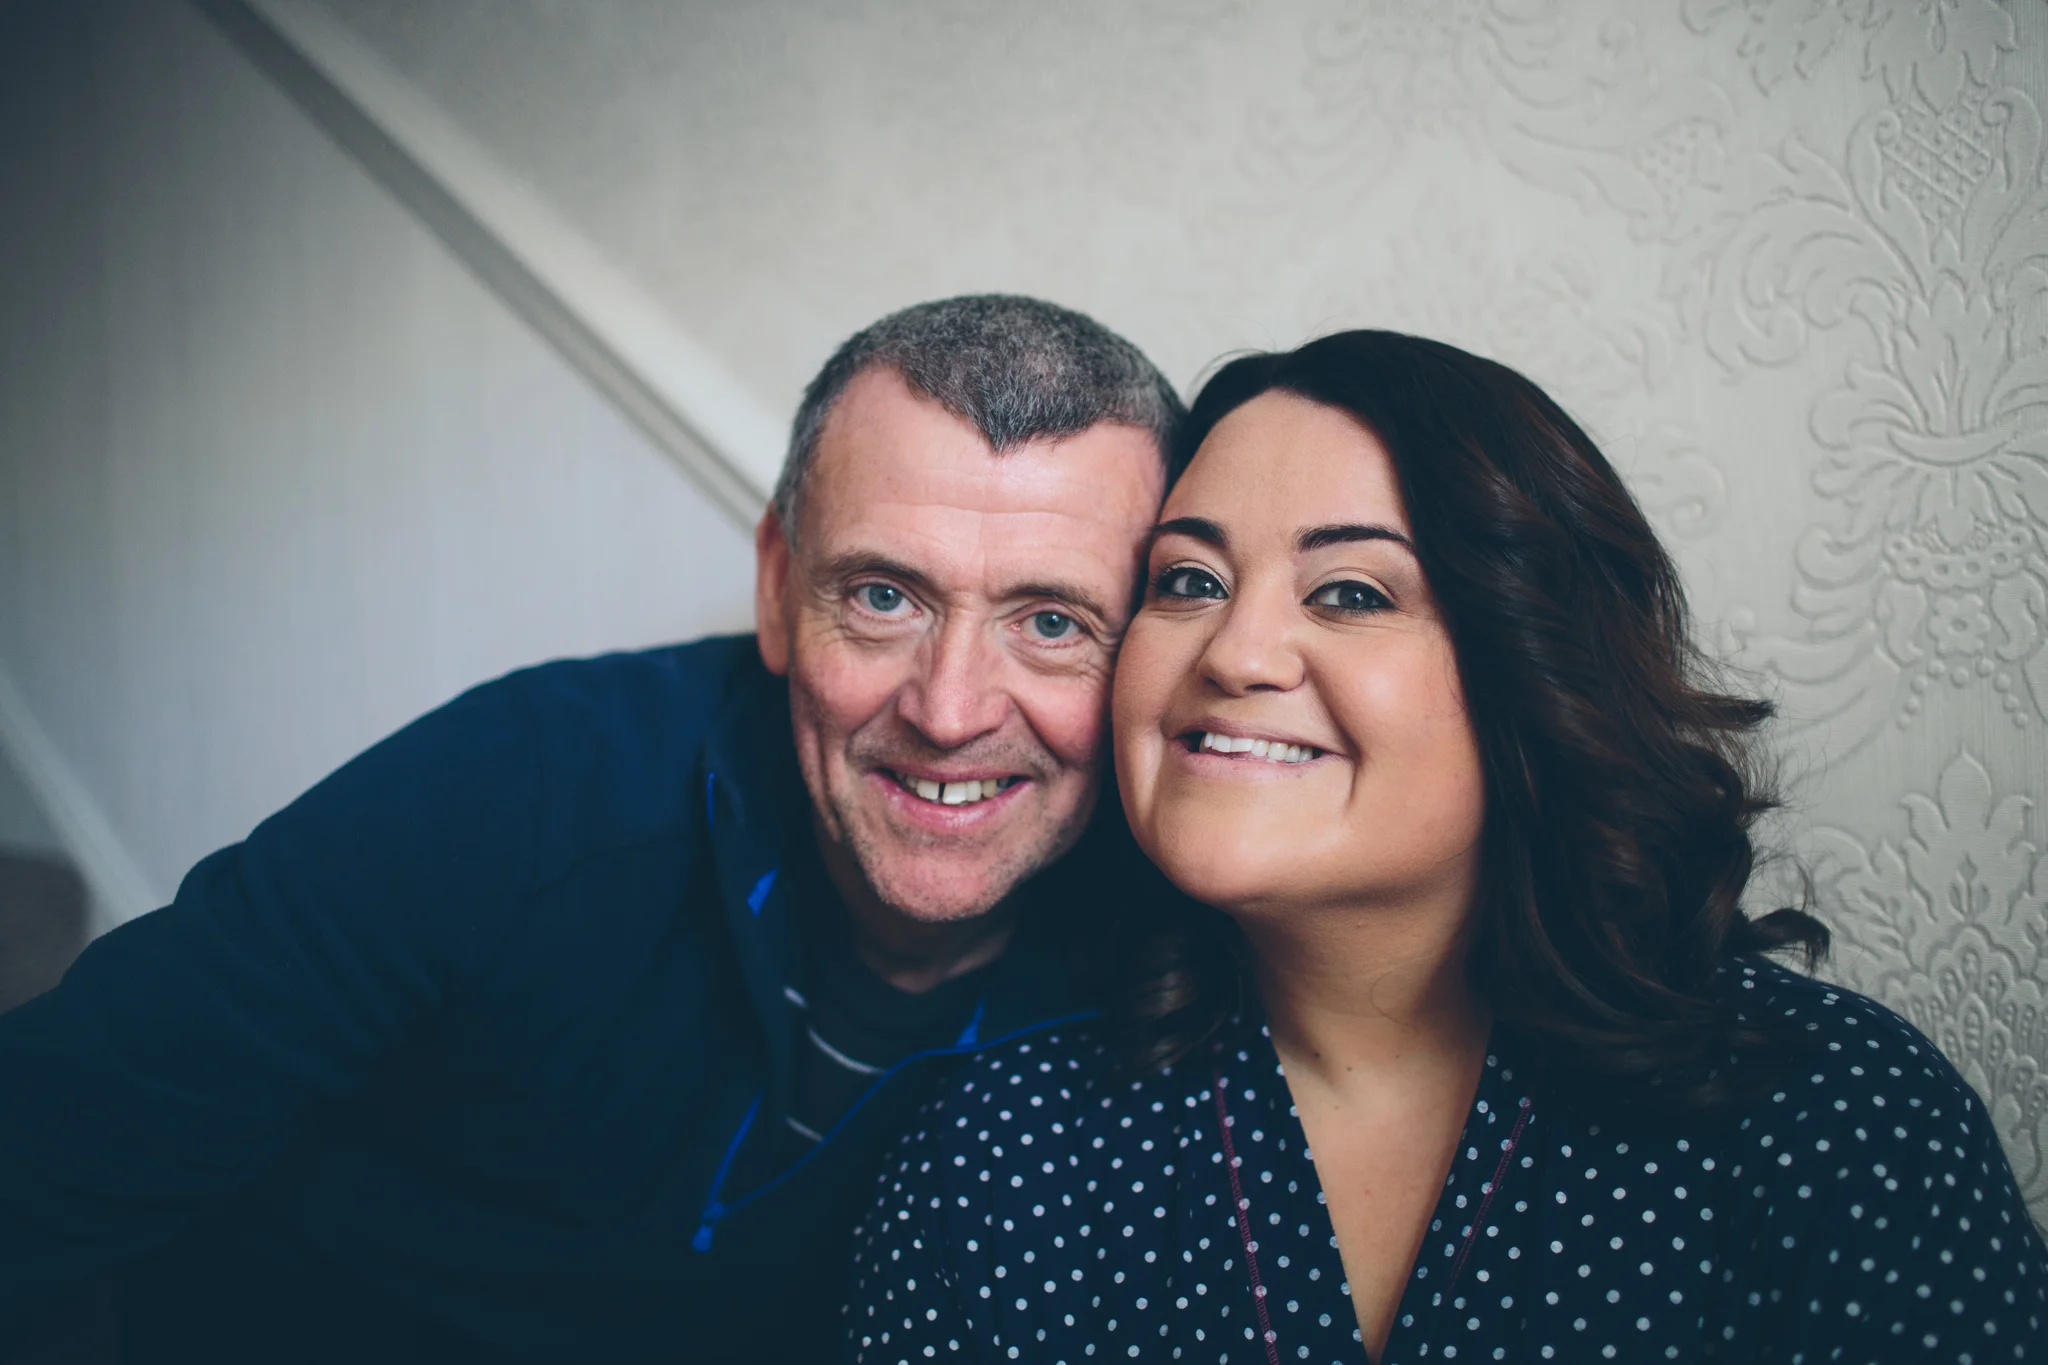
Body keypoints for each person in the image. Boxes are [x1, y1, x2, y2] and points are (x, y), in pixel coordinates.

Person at [0, 295, 1187, 1364]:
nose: (949, 710)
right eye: (883, 597)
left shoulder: (1174, 964)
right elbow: (54, 1141)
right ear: (777, 588)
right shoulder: (522, 783)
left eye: (1050, 622)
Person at [845, 330, 2048, 1364]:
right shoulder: (997, 1152)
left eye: (1351, 594)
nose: (1234, 652)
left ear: (1531, 669)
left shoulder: (1839, 1119)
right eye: (1189, 581)